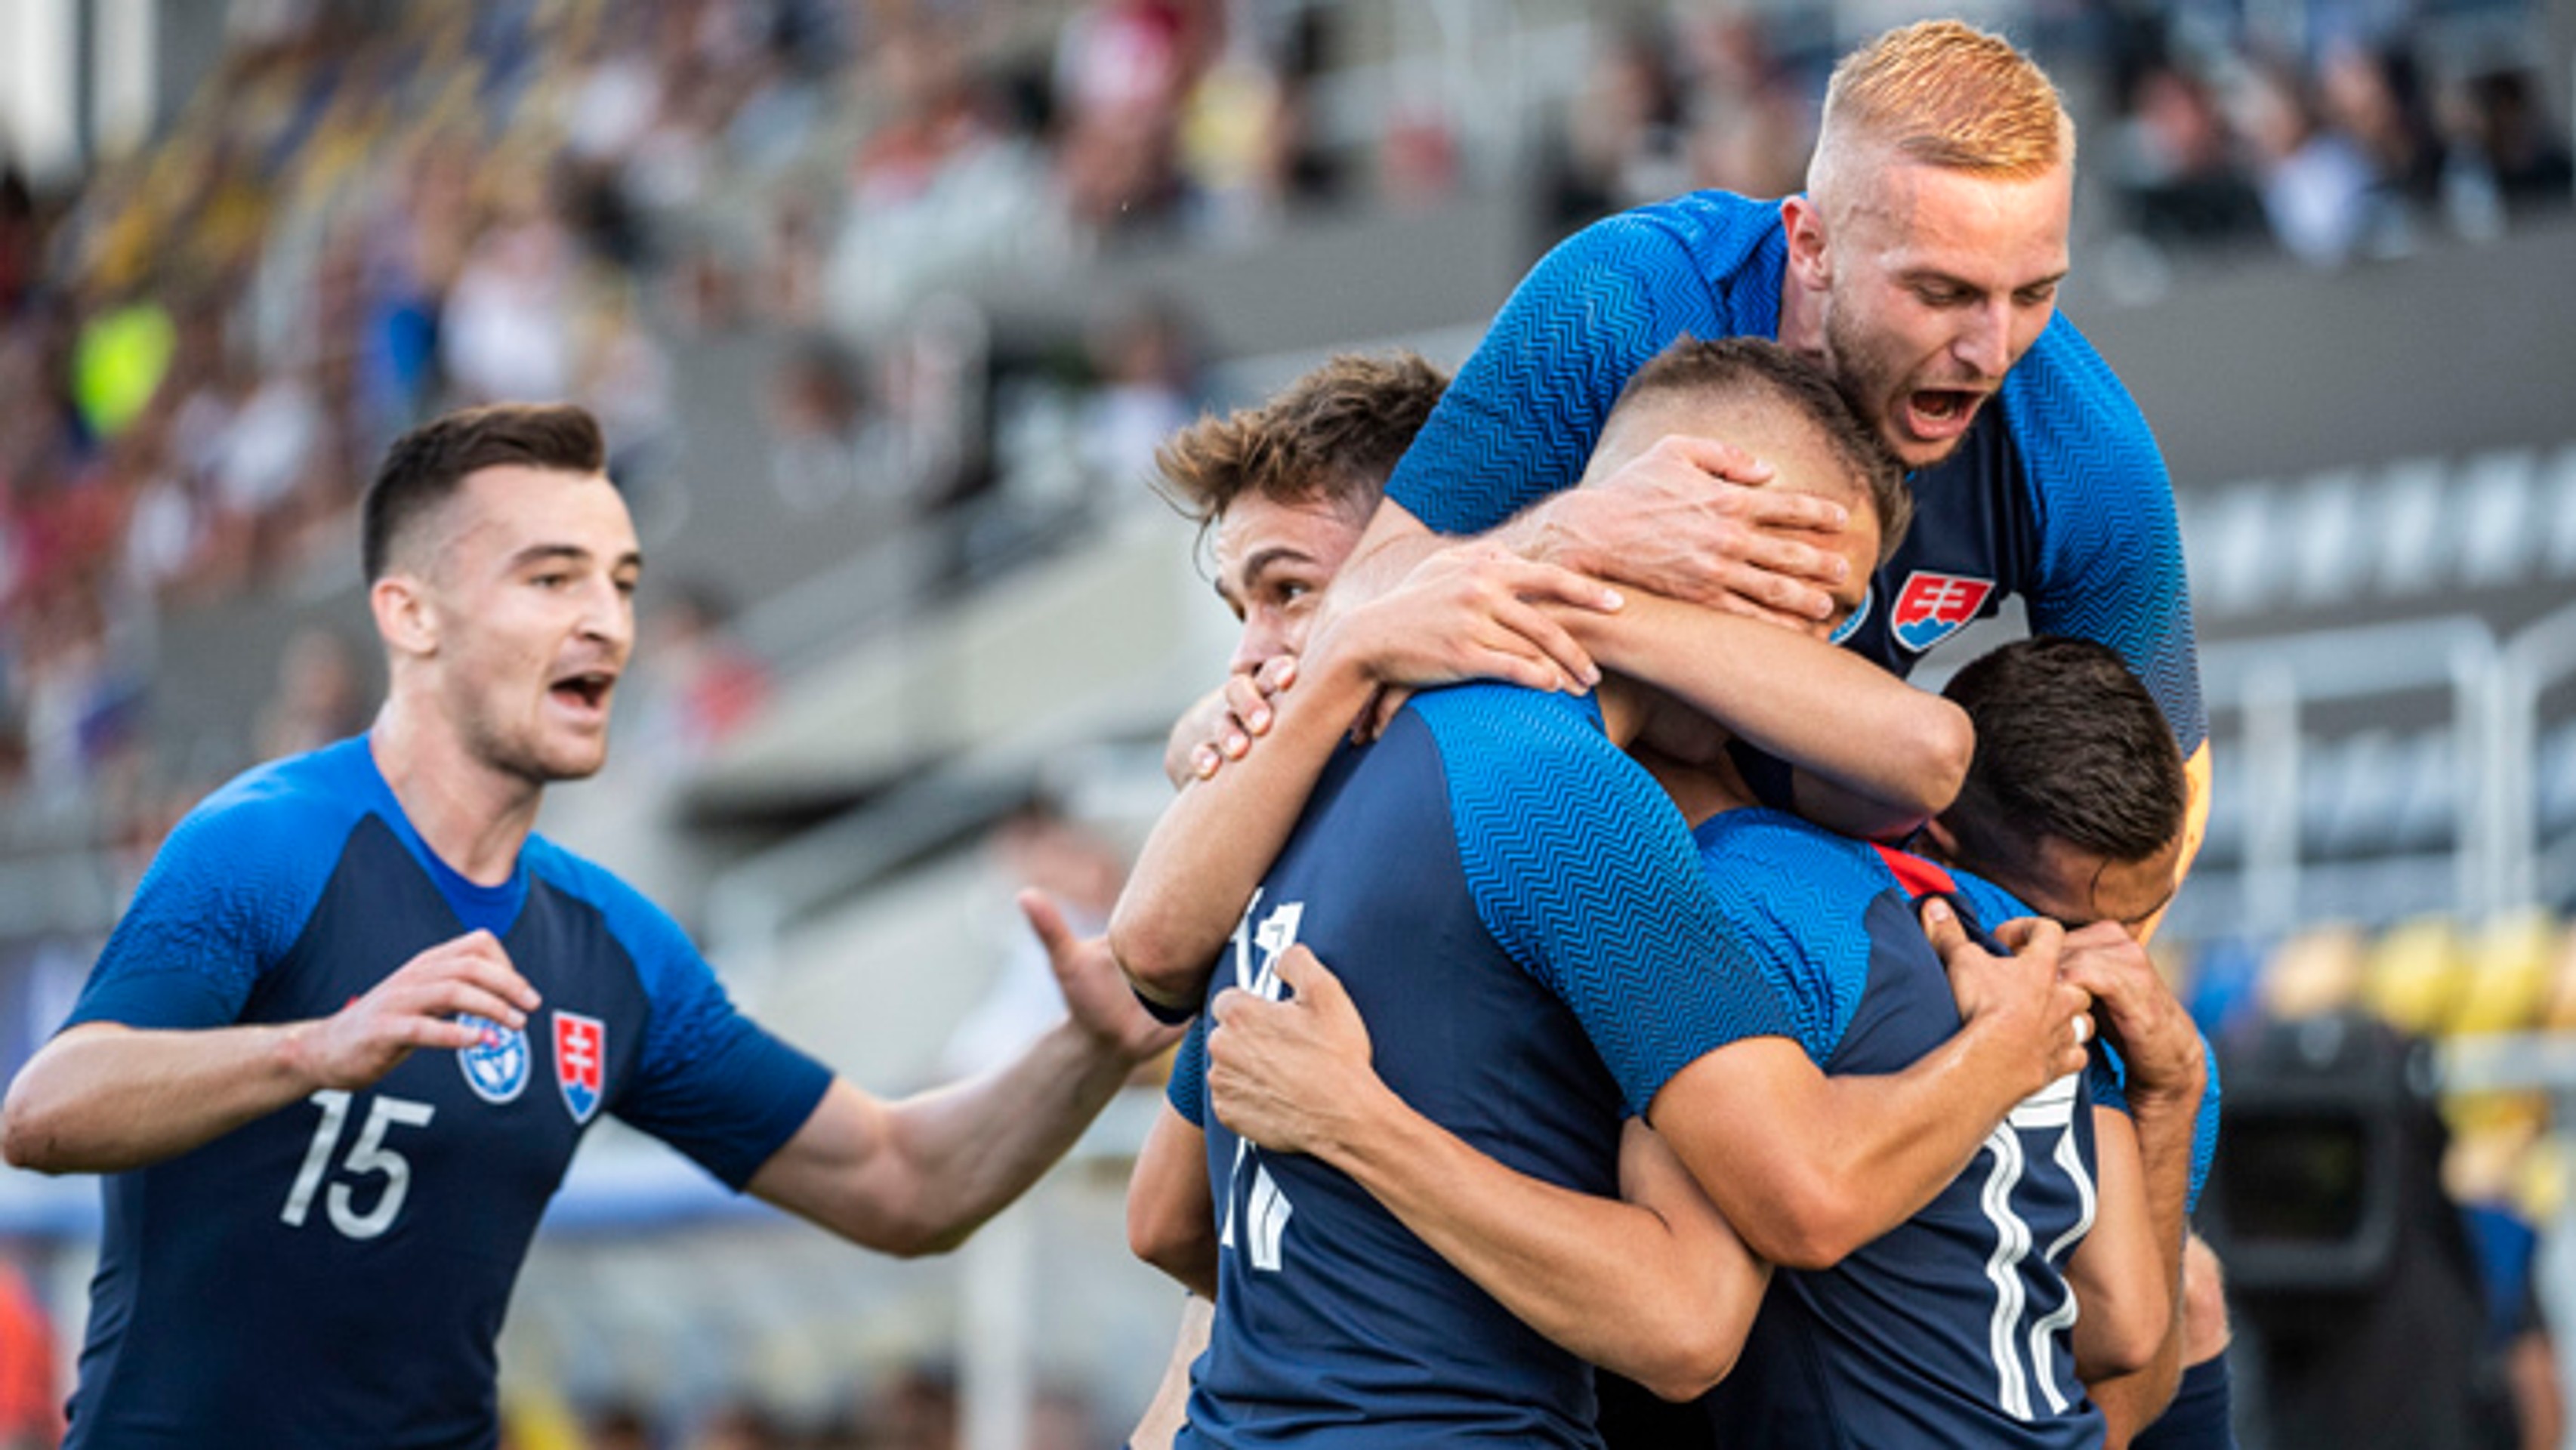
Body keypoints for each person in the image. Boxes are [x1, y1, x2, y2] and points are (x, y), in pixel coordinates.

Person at [0, 403, 1176, 1450]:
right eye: (552, 579)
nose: (607, 622)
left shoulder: (617, 951)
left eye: (621, 582)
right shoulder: (264, 845)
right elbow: (48, 1110)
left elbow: (899, 1181)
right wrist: (317, 1047)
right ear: (410, 614)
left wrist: (1088, 1050)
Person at [1115, 339, 2093, 1445]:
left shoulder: (1307, 786)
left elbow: (1165, 1219)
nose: (1826, 652)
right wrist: (2007, 1050)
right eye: (1806, 595)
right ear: (1693, 538)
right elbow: (1704, 1305)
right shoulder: (1574, 797)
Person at [1198, 632, 2205, 1448]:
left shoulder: (1742, 913)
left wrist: (1354, 1129)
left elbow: (1705, 1300)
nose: (2116, 953)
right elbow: (2125, 1323)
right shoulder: (2029, 957)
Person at [1328, 18, 2211, 924]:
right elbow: (1358, 604)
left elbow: (2168, 798)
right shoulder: (1619, 305)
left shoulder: (2081, 445)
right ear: (1811, 246)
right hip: (1542, 838)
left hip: (1819, 864)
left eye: (2034, 293)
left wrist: (2071, 975)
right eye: (1942, 293)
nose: (1993, 351)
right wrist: (1571, 536)